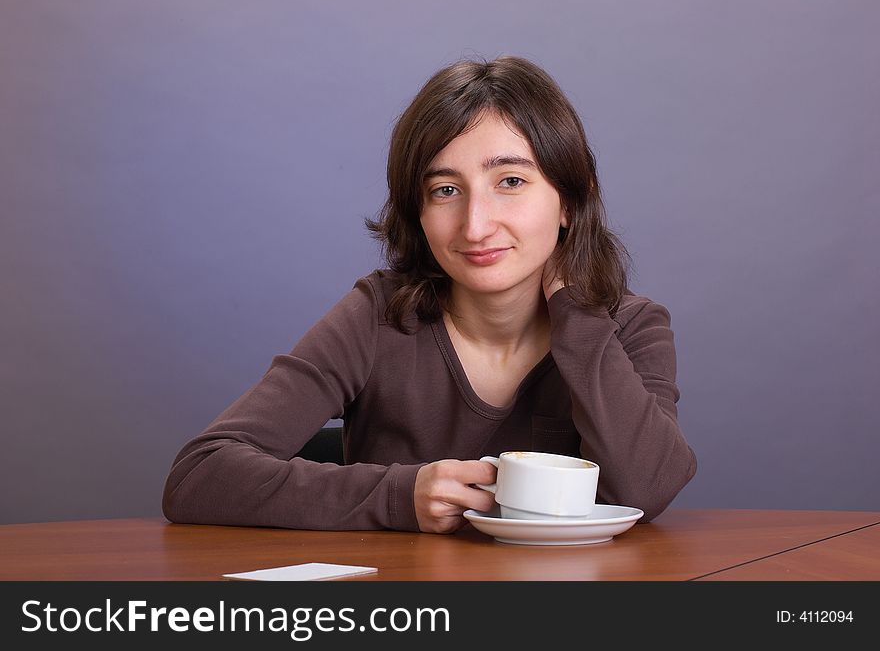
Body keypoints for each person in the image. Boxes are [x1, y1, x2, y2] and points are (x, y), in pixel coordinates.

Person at [162, 55, 697, 534]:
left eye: (510, 181)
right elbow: (199, 475)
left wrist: (577, 315)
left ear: (570, 203)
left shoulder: (631, 326)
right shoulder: (379, 316)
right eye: (445, 191)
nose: (476, 225)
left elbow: (647, 487)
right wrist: (397, 496)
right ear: (418, 216)